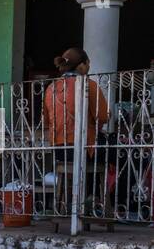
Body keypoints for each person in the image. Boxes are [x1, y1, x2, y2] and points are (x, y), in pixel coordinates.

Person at [42, 47, 110, 213]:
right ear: (81, 66)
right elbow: (103, 116)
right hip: (85, 149)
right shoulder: (88, 85)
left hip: (60, 151)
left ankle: (76, 203)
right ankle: (102, 202)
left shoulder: (51, 88)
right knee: (122, 153)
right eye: (88, 64)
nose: (89, 68)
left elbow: (45, 120)